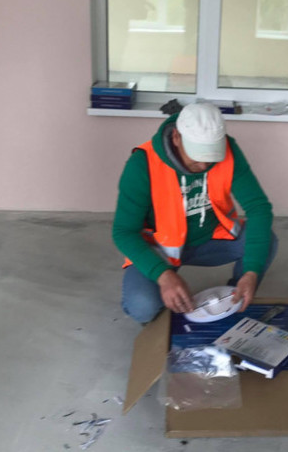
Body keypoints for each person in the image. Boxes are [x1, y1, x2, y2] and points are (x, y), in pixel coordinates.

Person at [113, 103, 277, 324]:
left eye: (211, 157)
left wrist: (251, 272)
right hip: (161, 248)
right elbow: (123, 232)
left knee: (267, 240)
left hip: (210, 239)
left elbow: (259, 208)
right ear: (176, 137)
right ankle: (150, 293)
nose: (204, 165)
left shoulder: (229, 151)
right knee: (143, 306)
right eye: (196, 157)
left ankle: (233, 296)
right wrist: (163, 274)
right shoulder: (142, 164)